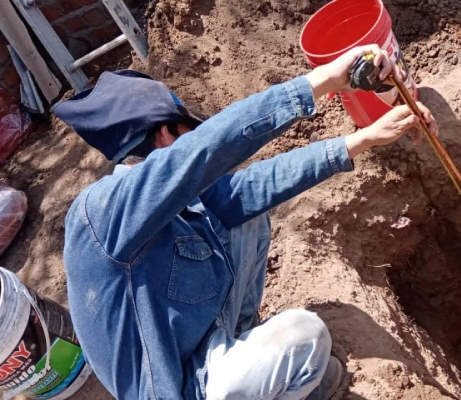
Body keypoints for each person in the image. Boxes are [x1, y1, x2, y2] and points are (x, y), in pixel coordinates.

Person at [52, 45, 438, 400]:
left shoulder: (170, 202)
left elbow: (254, 187)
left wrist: (365, 138)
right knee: (305, 336)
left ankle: (253, 356)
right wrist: (321, 82)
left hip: (210, 353)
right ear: (166, 134)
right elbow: (207, 148)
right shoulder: (100, 214)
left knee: (247, 216)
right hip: (178, 389)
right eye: (189, 130)